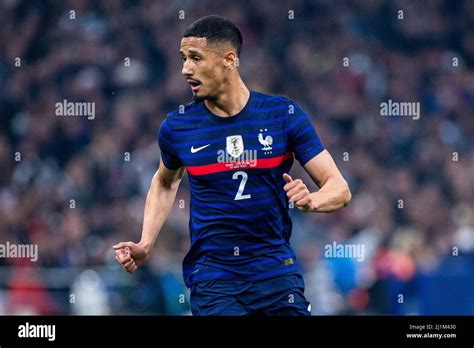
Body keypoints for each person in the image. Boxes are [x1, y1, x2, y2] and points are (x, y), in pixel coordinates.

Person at [113, 15, 351, 316]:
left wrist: (312, 200)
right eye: (183, 59)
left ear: (229, 59)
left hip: (277, 272)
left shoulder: (282, 115)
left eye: (196, 58)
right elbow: (164, 181)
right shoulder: (179, 127)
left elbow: (340, 189)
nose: (186, 69)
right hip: (215, 279)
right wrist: (146, 242)